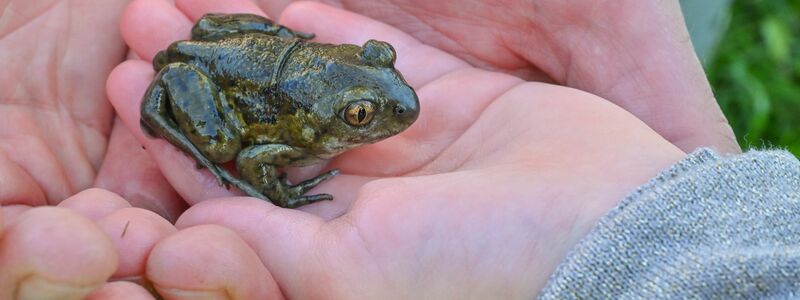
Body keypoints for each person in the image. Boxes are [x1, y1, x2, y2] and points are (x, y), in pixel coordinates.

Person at [0, 0, 796, 299]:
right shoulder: (288, 133)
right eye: (358, 113)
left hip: (265, 56)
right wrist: (267, 185)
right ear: (326, 121)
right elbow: (254, 156)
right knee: (215, 132)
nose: (386, 109)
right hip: (231, 78)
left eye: (377, 76)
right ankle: (189, 131)